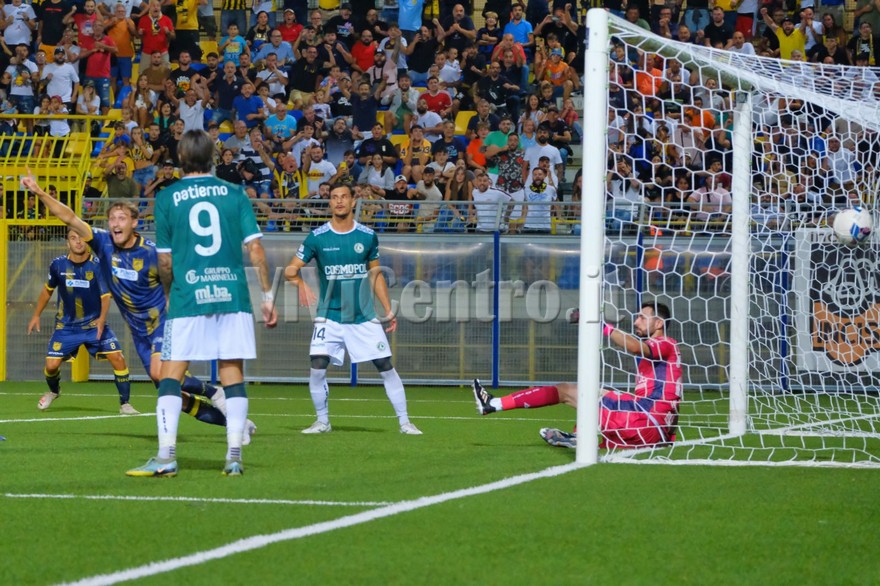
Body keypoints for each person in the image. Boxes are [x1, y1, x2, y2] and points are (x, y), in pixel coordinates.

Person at [19, 172, 251, 448]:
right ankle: (236, 423)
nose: (115, 223)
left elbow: (179, 281)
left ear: (134, 222)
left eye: (121, 218)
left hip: (162, 322)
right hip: (140, 333)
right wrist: (39, 192)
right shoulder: (103, 243)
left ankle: (215, 393)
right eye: (112, 219)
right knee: (174, 396)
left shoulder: (152, 253)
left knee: (160, 374)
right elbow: (69, 217)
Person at [126, 129, 278, 477]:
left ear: (180, 158)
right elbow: (256, 249)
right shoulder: (235, 193)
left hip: (188, 295)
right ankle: (234, 456)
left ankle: (166, 456)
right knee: (232, 374)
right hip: (232, 295)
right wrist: (267, 296)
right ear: (213, 157)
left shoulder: (167, 198)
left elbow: (165, 261)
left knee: (170, 375)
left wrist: (169, 294)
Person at [284, 183, 422, 435]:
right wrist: (301, 284)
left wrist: (388, 308)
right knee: (317, 367)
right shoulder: (317, 237)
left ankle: (405, 422)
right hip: (329, 316)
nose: (339, 201)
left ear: (353, 201)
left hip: (362, 316)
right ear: (330, 202)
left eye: (344, 197)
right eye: (334, 197)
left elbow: (375, 275)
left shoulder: (367, 235)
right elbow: (290, 271)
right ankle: (322, 421)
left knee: (385, 365)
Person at [473, 302, 682, 449]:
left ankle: (493, 404)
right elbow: (673, 397)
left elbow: (635, 347)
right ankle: (579, 436)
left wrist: (600, 325)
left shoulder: (665, 343)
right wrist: (667, 435)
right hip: (654, 431)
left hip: (644, 419)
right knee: (593, 395)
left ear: (659, 324)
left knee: (567, 391)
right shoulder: (667, 353)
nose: (636, 322)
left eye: (642, 317)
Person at [28, 229, 139, 415]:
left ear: (87, 241)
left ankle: (125, 404)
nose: (78, 242)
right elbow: (47, 290)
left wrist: (102, 319)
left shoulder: (99, 265)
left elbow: (105, 296)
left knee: (118, 358)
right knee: (51, 365)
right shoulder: (57, 265)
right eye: (73, 238)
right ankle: (54, 391)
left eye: (81, 238)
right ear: (67, 243)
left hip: (94, 325)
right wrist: (36, 315)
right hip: (66, 326)